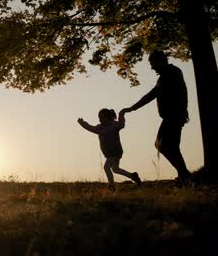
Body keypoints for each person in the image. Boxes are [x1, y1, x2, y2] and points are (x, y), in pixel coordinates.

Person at [122, 50, 191, 184]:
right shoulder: (165, 76)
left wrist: (182, 111)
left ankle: (185, 175)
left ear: (161, 61)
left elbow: (182, 92)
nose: (152, 67)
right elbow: (152, 94)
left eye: (153, 63)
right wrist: (132, 108)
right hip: (172, 116)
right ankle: (184, 176)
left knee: (163, 146)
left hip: (174, 116)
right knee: (170, 147)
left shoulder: (172, 73)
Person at [78, 108, 142, 192]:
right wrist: (82, 123)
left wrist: (122, 114)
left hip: (115, 152)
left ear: (107, 117)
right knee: (115, 169)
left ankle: (111, 186)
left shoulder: (114, 125)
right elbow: (90, 128)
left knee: (106, 167)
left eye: (101, 117)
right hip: (109, 153)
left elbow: (122, 124)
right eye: (99, 117)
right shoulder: (100, 128)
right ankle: (133, 176)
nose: (99, 119)